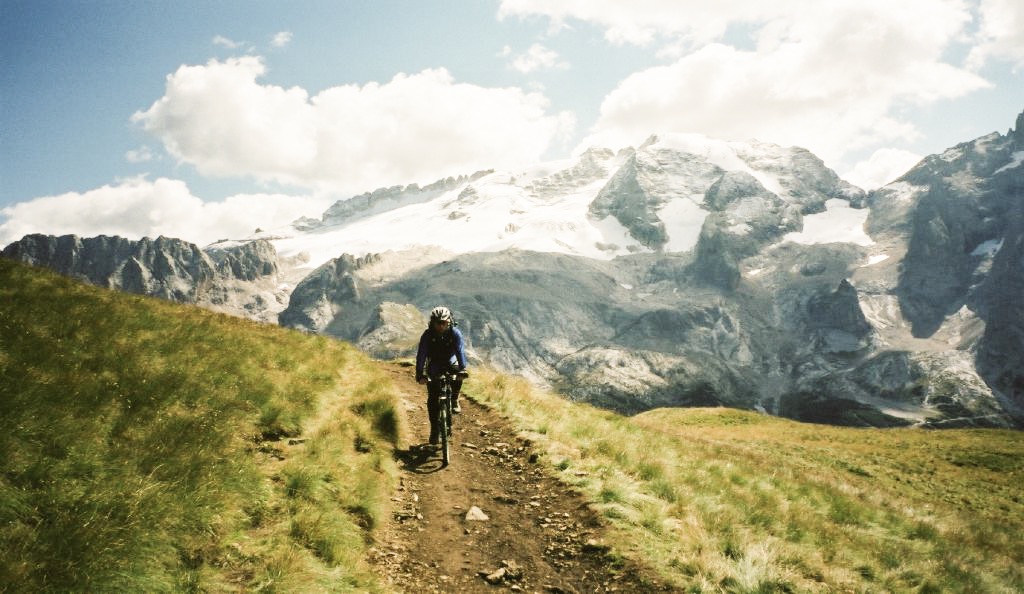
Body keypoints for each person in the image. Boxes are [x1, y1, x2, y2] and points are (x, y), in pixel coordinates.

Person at [415, 306, 469, 446]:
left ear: (449, 322)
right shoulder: (427, 335)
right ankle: (434, 430)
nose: (440, 326)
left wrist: (462, 368)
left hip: (450, 361)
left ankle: (455, 398)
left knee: (458, 374)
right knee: (433, 399)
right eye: (437, 322)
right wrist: (420, 374)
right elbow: (421, 355)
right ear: (432, 323)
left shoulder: (455, 333)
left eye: (443, 322)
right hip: (434, 365)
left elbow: (460, 351)